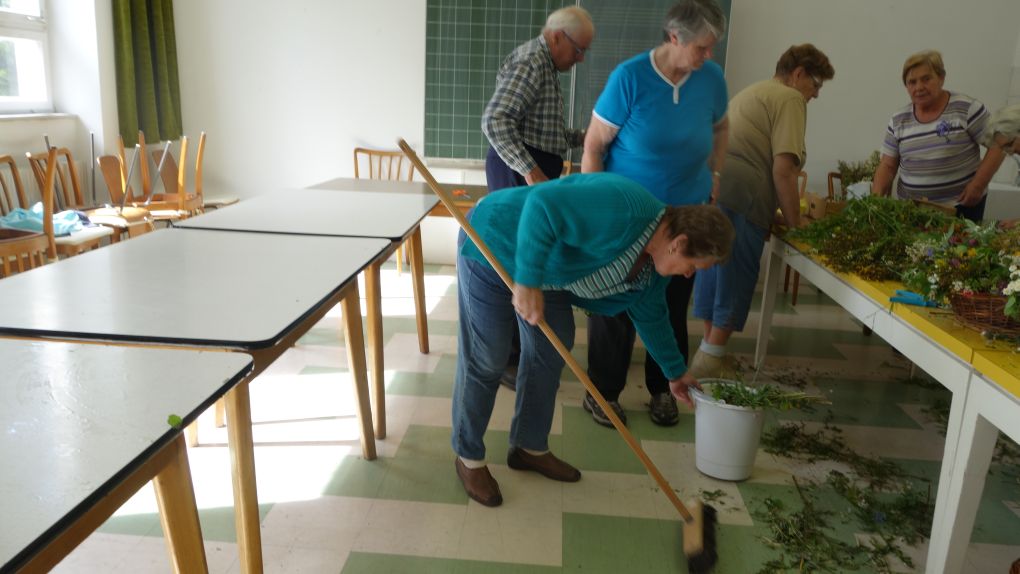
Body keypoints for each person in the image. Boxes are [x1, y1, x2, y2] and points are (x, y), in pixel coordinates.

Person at [452, 173, 734, 507]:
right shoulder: (624, 208)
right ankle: (468, 457)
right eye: (693, 266)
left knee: (551, 349)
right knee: (488, 355)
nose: (689, 274)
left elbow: (652, 315)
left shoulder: (653, 269)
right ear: (679, 243)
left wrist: (675, 373)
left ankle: (529, 447)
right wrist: (527, 280)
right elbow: (541, 206)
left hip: (547, 270)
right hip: (495, 239)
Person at [580, 0, 729, 428]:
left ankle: (664, 387)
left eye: (712, 47)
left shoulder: (711, 79)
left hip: (688, 216)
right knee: (616, 303)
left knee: (673, 302)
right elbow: (594, 147)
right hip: (629, 219)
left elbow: (721, 127)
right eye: (702, 47)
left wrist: (715, 172)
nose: (709, 55)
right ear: (674, 37)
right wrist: (596, 207)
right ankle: (603, 392)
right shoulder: (629, 78)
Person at [689, 44, 835, 378]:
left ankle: (710, 352)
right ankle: (710, 360)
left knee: (715, 269)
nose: (816, 94)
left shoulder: (756, 91)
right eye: (816, 84)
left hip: (713, 188)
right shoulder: (790, 98)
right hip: (743, 195)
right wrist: (796, 225)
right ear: (798, 74)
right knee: (737, 272)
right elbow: (783, 170)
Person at [481, 6, 594, 390]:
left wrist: (586, 138)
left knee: (525, 259)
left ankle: (517, 353)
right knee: (517, 261)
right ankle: (510, 359)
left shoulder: (545, 64)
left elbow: (544, 131)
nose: (581, 59)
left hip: (528, 169)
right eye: (578, 49)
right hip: (518, 173)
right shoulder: (533, 61)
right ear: (558, 36)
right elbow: (495, 120)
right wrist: (530, 171)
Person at [871, 50, 1007, 222]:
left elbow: (1000, 144)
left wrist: (978, 185)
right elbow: (887, 166)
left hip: (962, 208)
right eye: (912, 82)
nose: (919, 87)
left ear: (941, 78)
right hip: (912, 212)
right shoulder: (898, 120)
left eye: (926, 79)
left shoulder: (966, 108)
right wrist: (874, 203)